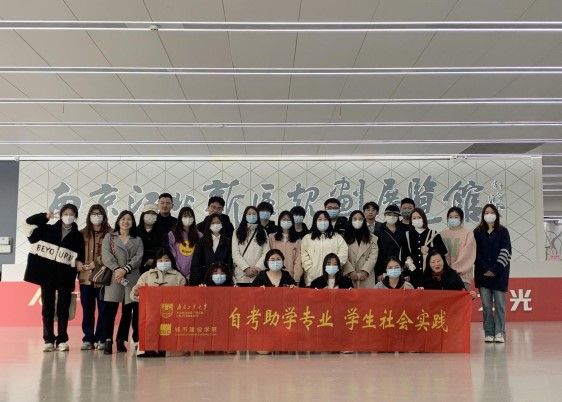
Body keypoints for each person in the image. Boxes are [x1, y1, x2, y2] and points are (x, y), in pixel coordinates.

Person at [24, 204, 85, 352]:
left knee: (63, 309)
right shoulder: (48, 229)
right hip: (47, 275)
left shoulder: (78, 236)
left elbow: (80, 255)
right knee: (47, 309)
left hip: (65, 276)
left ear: (75, 217)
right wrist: (45, 216)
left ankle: (62, 339)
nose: (68, 216)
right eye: (65, 213)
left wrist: (79, 264)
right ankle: (48, 340)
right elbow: (29, 223)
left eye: (71, 214)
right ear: (61, 215)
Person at [101, 210, 143, 355]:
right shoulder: (110, 237)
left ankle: (121, 340)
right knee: (110, 311)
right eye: (123, 219)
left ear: (133, 222)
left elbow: (138, 257)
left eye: (129, 219)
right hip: (114, 277)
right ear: (118, 221)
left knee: (127, 312)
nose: (126, 221)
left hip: (131, 277)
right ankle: (107, 340)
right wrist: (117, 269)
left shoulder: (137, 239)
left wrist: (125, 269)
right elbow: (106, 255)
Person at [131, 249, 186, 357]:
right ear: (156, 262)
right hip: (151, 314)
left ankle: (165, 349)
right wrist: (136, 292)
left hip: (171, 314)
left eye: (166, 260)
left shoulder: (179, 277)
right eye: (160, 260)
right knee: (151, 329)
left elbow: (184, 298)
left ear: (171, 261)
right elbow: (134, 296)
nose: (163, 262)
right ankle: (150, 349)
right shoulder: (146, 275)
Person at [474, 204, 511, 344]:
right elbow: (475, 253)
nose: (489, 215)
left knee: (500, 305)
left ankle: (500, 332)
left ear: (496, 214)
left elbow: (506, 251)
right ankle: (489, 332)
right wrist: (485, 269)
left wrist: (495, 269)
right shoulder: (477, 232)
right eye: (486, 213)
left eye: (491, 212)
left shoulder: (503, 231)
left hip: (499, 274)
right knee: (487, 306)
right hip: (482, 275)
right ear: (483, 215)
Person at [78, 204, 112, 351]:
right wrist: (77, 262)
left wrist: (96, 262)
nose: (96, 216)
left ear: (104, 216)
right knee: (87, 309)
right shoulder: (82, 233)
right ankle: (88, 338)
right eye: (93, 213)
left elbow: (112, 253)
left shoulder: (111, 233)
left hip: (103, 277)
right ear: (89, 216)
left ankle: (101, 338)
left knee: (103, 309)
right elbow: (76, 252)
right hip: (85, 277)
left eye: (99, 213)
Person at [401, 208, 447, 288]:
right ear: (411, 221)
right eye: (414, 218)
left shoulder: (433, 234)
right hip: (413, 275)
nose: (416, 220)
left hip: (431, 275)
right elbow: (404, 254)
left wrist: (430, 250)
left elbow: (443, 252)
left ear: (424, 218)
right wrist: (407, 259)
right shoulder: (407, 235)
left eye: (419, 217)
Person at [301, 211, 348, 286]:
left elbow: (343, 252)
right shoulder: (307, 238)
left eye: (325, 219)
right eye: (320, 219)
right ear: (315, 221)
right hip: (312, 277)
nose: (323, 222)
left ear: (329, 222)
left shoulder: (337, 237)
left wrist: (335, 265)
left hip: (333, 277)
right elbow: (303, 254)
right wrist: (309, 268)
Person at [190, 213, 233, 286]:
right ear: (209, 225)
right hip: (204, 281)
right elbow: (196, 263)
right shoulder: (201, 242)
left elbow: (230, 263)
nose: (215, 225)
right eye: (213, 223)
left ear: (222, 224)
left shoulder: (228, 242)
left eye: (218, 222)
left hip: (223, 281)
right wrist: (199, 282)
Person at [440, 207, 477, 290]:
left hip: (463, 276)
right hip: (445, 276)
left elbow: (468, 255)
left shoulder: (468, 233)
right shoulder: (442, 234)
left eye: (456, 217)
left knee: (462, 298)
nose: (453, 219)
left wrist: (454, 269)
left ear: (461, 218)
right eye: (450, 217)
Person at [232, 206, 270, 286]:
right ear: (245, 216)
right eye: (249, 214)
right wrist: (246, 268)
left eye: (254, 214)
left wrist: (257, 268)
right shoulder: (237, 231)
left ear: (258, 216)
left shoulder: (263, 231)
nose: (252, 216)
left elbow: (266, 252)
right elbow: (235, 252)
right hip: (241, 274)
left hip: (258, 274)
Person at [342, 210, 378, 288]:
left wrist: (365, 271)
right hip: (349, 276)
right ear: (350, 221)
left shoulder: (372, 238)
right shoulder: (343, 238)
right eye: (355, 219)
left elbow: (373, 256)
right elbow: (342, 256)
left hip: (367, 276)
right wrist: (350, 271)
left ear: (364, 221)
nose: (357, 221)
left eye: (360, 219)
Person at [374, 204, 406, 282]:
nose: (392, 217)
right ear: (385, 215)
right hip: (383, 269)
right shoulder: (378, 231)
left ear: (398, 217)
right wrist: (379, 272)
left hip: (399, 268)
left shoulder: (403, 231)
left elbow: (405, 251)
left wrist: (405, 271)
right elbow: (376, 253)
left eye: (395, 215)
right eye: (389, 214)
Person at [268, 211, 302, 283]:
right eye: (284, 219)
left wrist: (296, 278)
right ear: (279, 221)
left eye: (289, 220)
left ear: (292, 222)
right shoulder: (272, 237)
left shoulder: (297, 240)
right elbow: (268, 257)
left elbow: (298, 261)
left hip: (290, 277)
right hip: (273, 276)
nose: (286, 221)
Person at [168, 206, 201, 279]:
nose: (188, 218)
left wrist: (194, 270)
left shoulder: (199, 235)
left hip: (194, 273)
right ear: (180, 218)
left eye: (190, 216)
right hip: (176, 272)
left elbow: (200, 255)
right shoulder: (173, 234)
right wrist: (176, 268)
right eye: (185, 216)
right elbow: (171, 253)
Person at [137, 204, 164, 275]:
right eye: (148, 213)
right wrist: (145, 260)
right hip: (137, 267)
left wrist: (154, 259)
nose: (150, 215)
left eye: (153, 214)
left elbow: (163, 248)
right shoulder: (135, 231)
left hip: (156, 267)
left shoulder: (161, 232)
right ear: (143, 215)